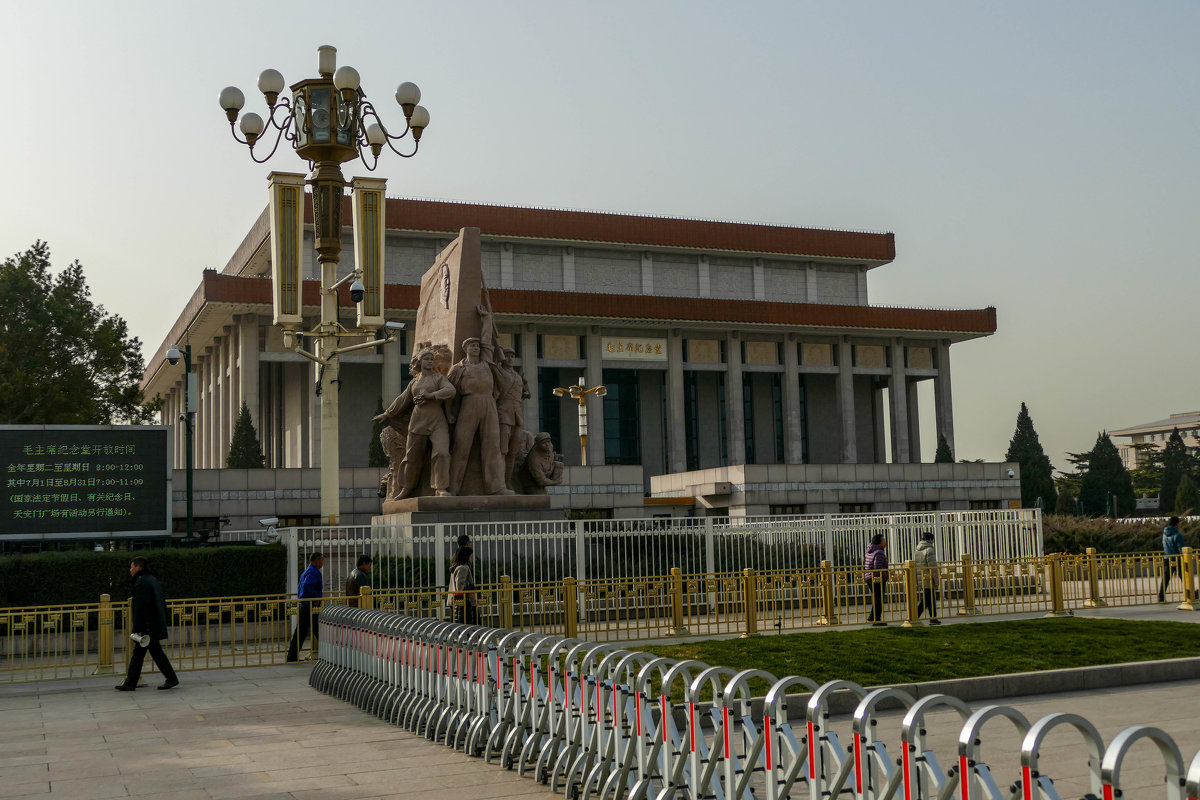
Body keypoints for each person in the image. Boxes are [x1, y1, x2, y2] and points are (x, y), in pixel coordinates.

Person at [375, 347, 456, 499]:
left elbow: (451, 391)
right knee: (412, 457)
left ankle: (441, 488)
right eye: (426, 359)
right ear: (420, 361)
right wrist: (387, 414)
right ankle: (407, 488)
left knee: (442, 453)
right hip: (418, 421)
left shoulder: (439, 378)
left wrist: (431, 395)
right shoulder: (414, 382)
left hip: (437, 421)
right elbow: (402, 400)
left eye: (432, 359)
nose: (430, 362)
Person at [446, 308, 510, 496]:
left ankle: (496, 487)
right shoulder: (458, 369)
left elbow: (486, 338)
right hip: (469, 404)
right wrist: (450, 413)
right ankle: (453, 487)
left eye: (477, 346)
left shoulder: (486, 362)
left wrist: (486, 319)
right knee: (461, 446)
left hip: (488, 404)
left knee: (493, 447)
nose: (476, 348)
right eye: (472, 346)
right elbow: (450, 394)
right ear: (465, 349)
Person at [115, 557, 179, 691]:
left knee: (140, 654)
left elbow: (141, 608)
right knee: (153, 652)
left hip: (147, 626)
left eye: (132, 567)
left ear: (138, 567)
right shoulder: (152, 580)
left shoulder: (142, 582)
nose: (130, 570)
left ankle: (130, 683)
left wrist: (138, 628)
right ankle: (170, 678)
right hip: (153, 624)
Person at [286, 552, 324, 662]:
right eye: (322, 560)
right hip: (309, 605)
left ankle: (292, 656)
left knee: (303, 631)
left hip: (306, 604)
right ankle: (330, 654)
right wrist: (316, 598)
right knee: (315, 630)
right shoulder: (312, 572)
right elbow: (308, 586)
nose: (322, 563)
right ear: (317, 560)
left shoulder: (309, 570)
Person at [913, 531, 940, 625]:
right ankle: (915, 615)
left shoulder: (917, 550)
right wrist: (936, 581)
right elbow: (932, 567)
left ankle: (933, 617)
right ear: (931, 540)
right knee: (927, 599)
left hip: (922, 578)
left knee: (929, 599)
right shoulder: (929, 550)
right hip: (929, 578)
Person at [447, 546, 477, 625]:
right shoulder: (463, 568)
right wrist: (470, 589)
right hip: (464, 602)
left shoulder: (455, 567)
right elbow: (460, 586)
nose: (471, 558)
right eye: (470, 556)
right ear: (466, 557)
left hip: (455, 601)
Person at [864, 533, 889, 626]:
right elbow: (877, 567)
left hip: (869, 577)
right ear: (879, 543)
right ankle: (877, 619)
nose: (885, 542)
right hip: (877, 578)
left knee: (876, 598)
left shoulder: (870, 551)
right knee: (879, 598)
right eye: (883, 540)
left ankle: (872, 616)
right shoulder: (879, 552)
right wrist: (884, 576)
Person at [1159, 516, 1184, 602]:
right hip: (1177, 559)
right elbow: (1181, 549)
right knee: (1184, 577)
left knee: (1166, 578)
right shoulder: (1178, 535)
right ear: (1177, 524)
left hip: (1167, 558)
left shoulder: (1164, 534)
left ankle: (1161, 596)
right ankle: (1190, 594)